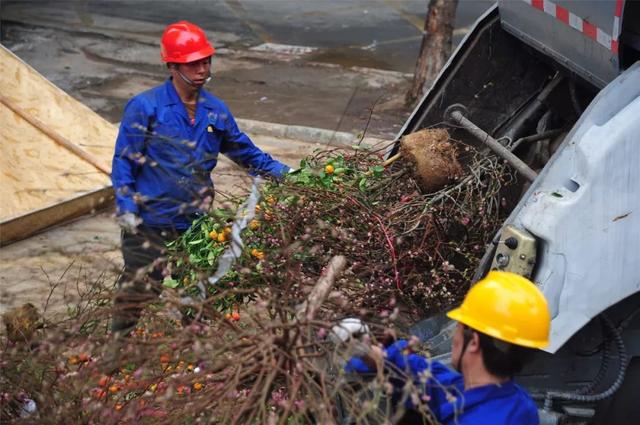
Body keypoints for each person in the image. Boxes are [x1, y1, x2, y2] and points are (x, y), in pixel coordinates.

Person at [110, 21, 290, 334]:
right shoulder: (146, 107)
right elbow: (124, 159)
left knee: (196, 286)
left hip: (194, 221)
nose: (202, 68)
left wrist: (287, 174)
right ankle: (118, 345)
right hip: (149, 220)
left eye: (206, 60)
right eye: (194, 62)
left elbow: (245, 152)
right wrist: (126, 205)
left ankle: (194, 342)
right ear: (173, 65)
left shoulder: (215, 110)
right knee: (141, 287)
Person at [345, 271, 550, 424]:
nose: (454, 338)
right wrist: (377, 358)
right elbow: (433, 381)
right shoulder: (517, 403)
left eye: (458, 328)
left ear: (474, 342)